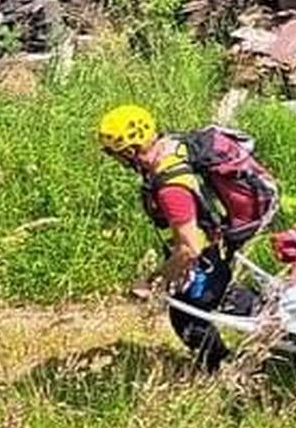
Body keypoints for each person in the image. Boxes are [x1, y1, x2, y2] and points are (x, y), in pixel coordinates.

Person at [96, 105, 275, 371]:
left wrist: (153, 280)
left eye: (115, 154)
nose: (116, 160)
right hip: (214, 242)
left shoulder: (171, 187)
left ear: (131, 150)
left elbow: (189, 249)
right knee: (220, 295)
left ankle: (222, 369)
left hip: (206, 252)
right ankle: (275, 320)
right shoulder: (172, 146)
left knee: (188, 315)